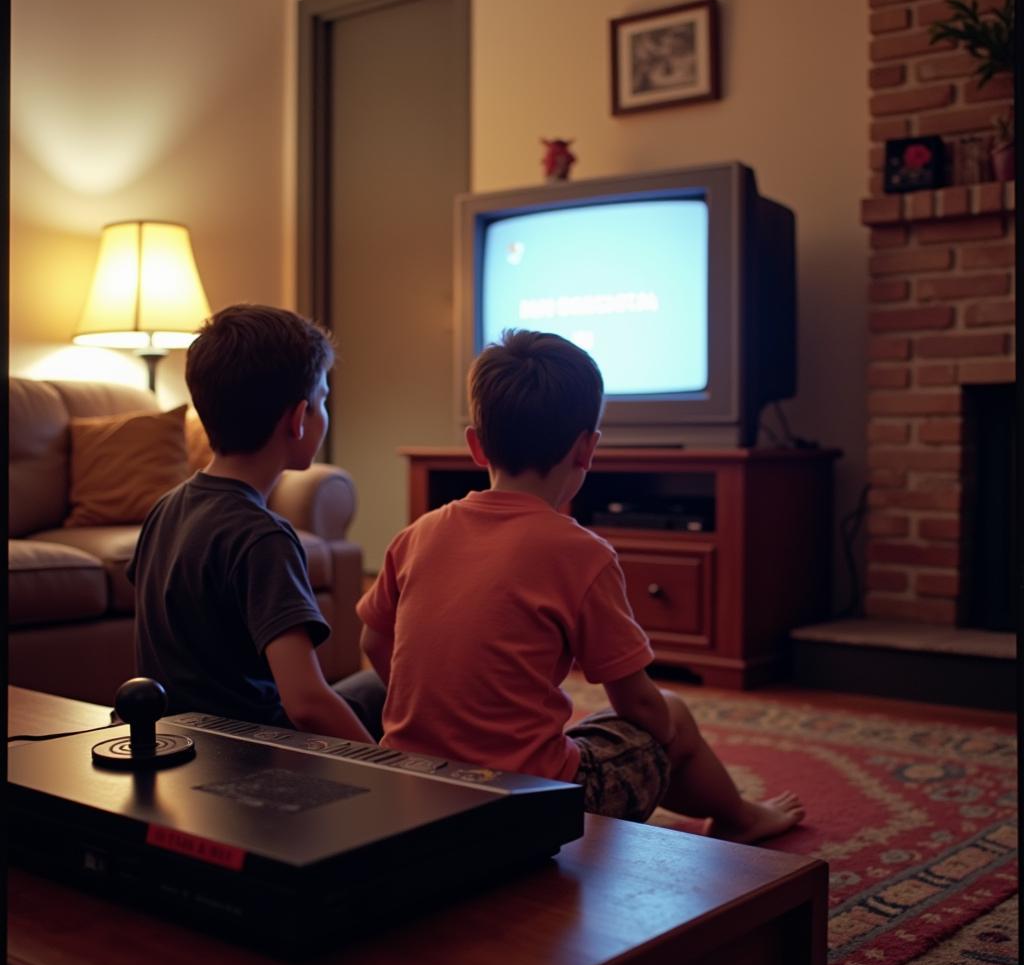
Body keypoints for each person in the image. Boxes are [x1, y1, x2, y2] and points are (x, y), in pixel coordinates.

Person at [357, 329, 803, 841]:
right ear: (587, 449)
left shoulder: (419, 532)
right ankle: (738, 817)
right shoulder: (581, 553)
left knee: (586, 733)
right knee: (670, 713)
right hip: (527, 802)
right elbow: (634, 702)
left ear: (476, 445)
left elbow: (374, 640)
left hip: (415, 788)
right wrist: (665, 746)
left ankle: (726, 811)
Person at [128, 303, 385, 742]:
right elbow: (306, 703)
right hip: (252, 753)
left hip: (180, 744)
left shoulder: (165, 508)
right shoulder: (262, 537)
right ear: (297, 420)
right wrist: (389, 770)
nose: (324, 412)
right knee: (384, 685)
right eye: (322, 401)